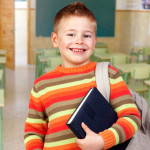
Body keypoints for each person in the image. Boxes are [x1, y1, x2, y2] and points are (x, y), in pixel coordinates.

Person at [24, 1, 141, 150]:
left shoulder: (108, 74)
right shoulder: (41, 85)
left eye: (87, 35)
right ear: (55, 40)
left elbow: (132, 117)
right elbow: (33, 132)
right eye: (71, 34)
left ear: (94, 41)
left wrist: (103, 140)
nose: (79, 41)